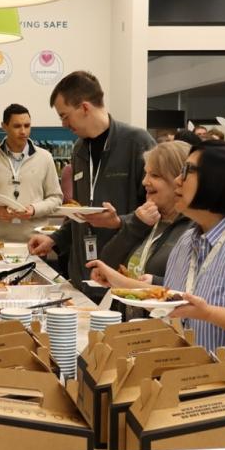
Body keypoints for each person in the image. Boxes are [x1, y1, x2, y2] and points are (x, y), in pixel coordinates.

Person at [91, 142, 225, 444]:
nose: (177, 180)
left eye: (187, 172)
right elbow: (174, 297)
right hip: (198, 394)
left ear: (219, 182)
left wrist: (209, 313)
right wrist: (119, 282)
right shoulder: (191, 239)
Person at [28, 71, 155, 290]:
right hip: (81, 275)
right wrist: (56, 239)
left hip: (121, 275)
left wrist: (120, 222)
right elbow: (79, 213)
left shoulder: (137, 143)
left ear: (85, 107)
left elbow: (158, 208)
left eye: (65, 115)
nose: (63, 124)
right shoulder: (79, 150)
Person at [87, 140, 193, 287]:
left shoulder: (195, 227)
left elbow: (196, 285)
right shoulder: (145, 217)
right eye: (146, 173)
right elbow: (105, 266)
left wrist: (155, 283)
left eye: (155, 175)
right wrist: (136, 225)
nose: (144, 181)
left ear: (180, 179)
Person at [0, 103, 64, 243]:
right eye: (17, 126)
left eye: (27, 125)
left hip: (36, 241)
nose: (23, 131)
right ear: (4, 126)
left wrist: (34, 209)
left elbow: (56, 198)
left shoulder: (45, 157)